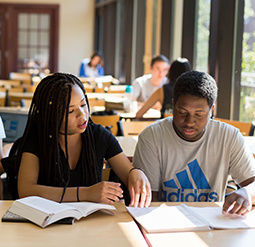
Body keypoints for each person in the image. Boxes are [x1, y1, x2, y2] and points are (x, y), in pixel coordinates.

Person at [17, 73, 151, 207]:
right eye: (70, 111)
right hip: (47, 222)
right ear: (52, 115)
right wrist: (85, 194)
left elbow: (128, 174)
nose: (82, 114)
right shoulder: (38, 138)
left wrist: (136, 173)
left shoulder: (99, 136)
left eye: (83, 104)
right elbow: (26, 190)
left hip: (92, 222)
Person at [133, 70, 255, 215]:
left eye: (199, 114)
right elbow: (149, 202)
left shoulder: (229, 137)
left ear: (211, 110)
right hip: (165, 221)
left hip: (213, 226)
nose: (190, 122)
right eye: (182, 112)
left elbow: (252, 183)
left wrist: (248, 193)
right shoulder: (152, 137)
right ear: (173, 105)